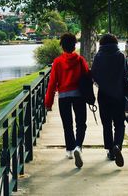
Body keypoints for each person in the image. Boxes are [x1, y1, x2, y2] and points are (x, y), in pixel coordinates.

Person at [45, 33, 89, 168]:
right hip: (79, 96)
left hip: (63, 96)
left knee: (67, 124)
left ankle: (70, 150)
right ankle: (78, 147)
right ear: (74, 45)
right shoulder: (80, 60)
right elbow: (87, 77)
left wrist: (48, 103)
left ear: (62, 46)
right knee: (81, 123)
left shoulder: (57, 62)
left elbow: (52, 83)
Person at [92, 34, 127, 167]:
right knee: (119, 123)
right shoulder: (121, 56)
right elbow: (125, 74)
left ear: (101, 44)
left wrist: (101, 83)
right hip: (119, 94)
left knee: (106, 124)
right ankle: (117, 145)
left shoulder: (98, 57)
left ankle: (110, 151)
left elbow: (93, 74)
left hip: (104, 95)